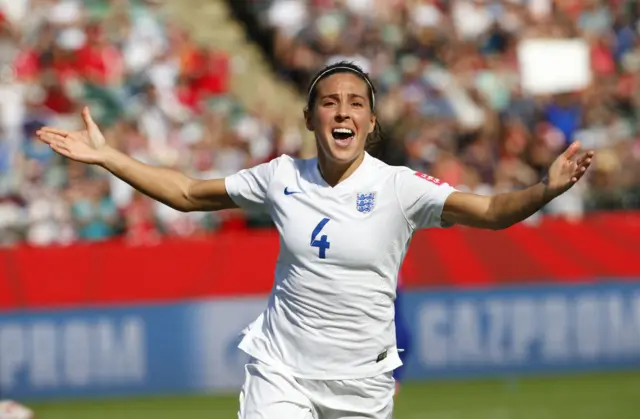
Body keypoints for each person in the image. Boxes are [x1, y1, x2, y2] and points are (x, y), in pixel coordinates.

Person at [36, 61, 594, 419]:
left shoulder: (400, 188)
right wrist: (108, 156)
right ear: (309, 117)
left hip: (361, 386)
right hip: (282, 372)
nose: (343, 111)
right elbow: (185, 192)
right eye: (330, 101)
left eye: (356, 102)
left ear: (372, 122)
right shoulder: (280, 176)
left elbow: (493, 211)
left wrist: (545, 189)